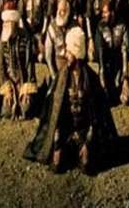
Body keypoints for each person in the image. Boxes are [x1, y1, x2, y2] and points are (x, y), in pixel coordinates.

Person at [23, 27, 118, 175]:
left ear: (76, 52)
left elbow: (97, 116)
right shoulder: (61, 76)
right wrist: (57, 143)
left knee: (87, 166)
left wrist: (87, 142)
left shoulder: (91, 79)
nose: (65, 54)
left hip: (85, 130)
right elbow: (54, 112)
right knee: (57, 166)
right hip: (66, 128)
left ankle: (81, 150)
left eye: (69, 51)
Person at [0, 2, 37, 119]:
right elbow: (0, 66)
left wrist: (27, 88)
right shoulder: (2, 40)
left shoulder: (26, 37)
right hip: (9, 81)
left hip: (23, 80)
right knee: (7, 112)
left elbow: (29, 64)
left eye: (8, 22)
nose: (6, 24)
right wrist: (7, 89)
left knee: (26, 110)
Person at [94, 0, 129, 105]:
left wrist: (125, 78)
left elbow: (125, 51)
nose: (104, 15)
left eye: (106, 12)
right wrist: (102, 79)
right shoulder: (100, 27)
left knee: (125, 99)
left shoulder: (122, 26)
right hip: (105, 66)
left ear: (113, 12)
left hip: (119, 65)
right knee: (104, 99)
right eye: (103, 12)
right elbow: (100, 53)